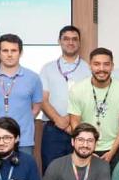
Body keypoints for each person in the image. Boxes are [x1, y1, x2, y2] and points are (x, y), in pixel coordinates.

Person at [0, 33, 44, 158]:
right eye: (5, 50)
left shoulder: (33, 78)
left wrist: (21, 121)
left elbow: (36, 109)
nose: (10, 54)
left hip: (23, 141)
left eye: (14, 50)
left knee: (21, 176)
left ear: (20, 52)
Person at [39, 25, 92, 171]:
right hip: (52, 129)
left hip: (81, 129)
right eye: (66, 39)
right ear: (59, 41)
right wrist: (58, 120)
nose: (71, 42)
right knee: (51, 171)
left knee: (78, 173)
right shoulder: (47, 68)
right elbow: (43, 99)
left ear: (79, 43)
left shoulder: (88, 69)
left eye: (75, 39)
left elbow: (89, 100)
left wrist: (69, 121)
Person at [68, 47, 119, 164]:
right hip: (86, 148)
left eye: (106, 64)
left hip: (115, 148)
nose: (101, 69)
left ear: (112, 66)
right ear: (90, 66)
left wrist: (112, 152)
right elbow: (75, 122)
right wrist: (87, 148)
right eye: (97, 64)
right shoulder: (77, 90)